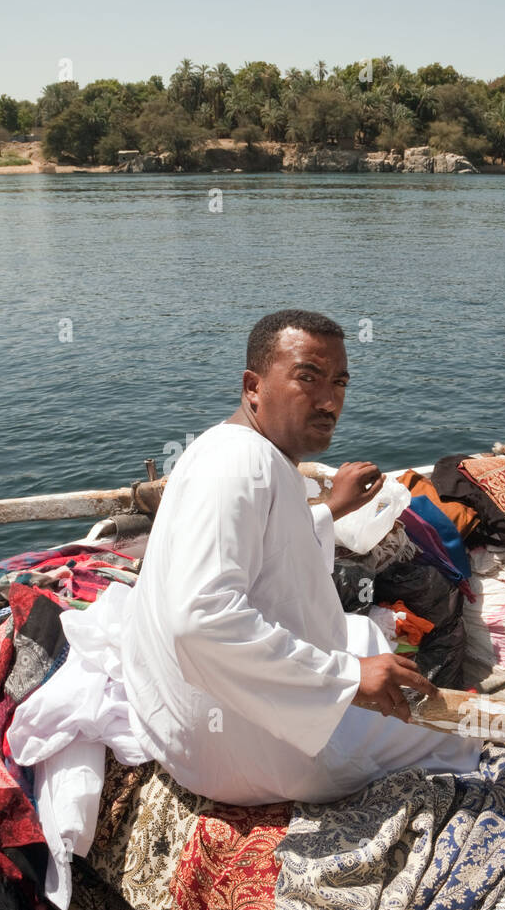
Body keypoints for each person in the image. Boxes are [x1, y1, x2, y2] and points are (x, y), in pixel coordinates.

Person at [118, 309, 483, 805]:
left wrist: (332, 508)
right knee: (461, 735)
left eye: (339, 382)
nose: (329, 400)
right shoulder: (243, 464)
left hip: (182, 730)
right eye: (306, 377)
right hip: (243, 755)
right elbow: (198, 619)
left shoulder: (231, 449)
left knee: (367, 633)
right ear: (253, 386)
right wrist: (350, 679)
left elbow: (274, 540)